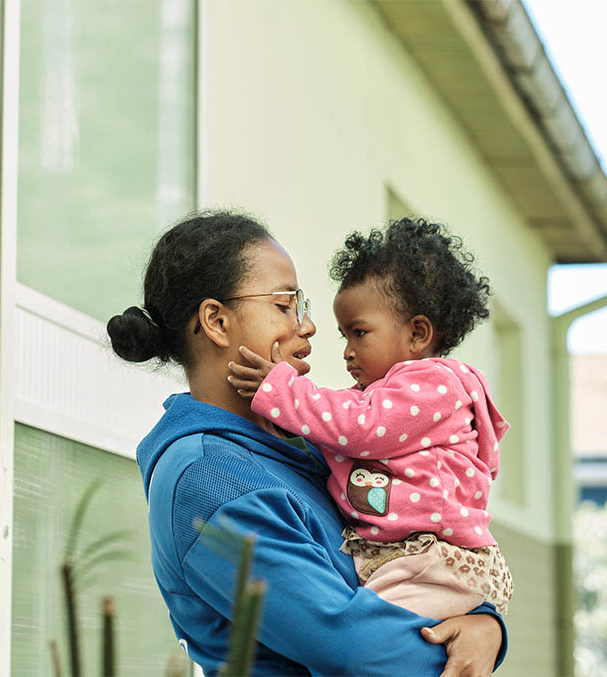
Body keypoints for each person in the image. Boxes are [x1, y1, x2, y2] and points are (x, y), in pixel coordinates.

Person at [107, 210, 507, 676]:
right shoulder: (208, 478)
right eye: (283, 306)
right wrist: (477, 639)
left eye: (302, 306)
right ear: (216, 321)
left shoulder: (299, 445)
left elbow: (412, 556)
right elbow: (349, 647)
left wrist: (484, 624)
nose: (308, 326)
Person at [227, 218, 513, 621]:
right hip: (410, 561)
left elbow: (355, 427)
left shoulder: (434, 385)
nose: (347, 351)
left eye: (358, 333)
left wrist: (280, 390)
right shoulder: (390, 395)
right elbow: (335, 421)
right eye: (345, 336)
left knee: (369, 638)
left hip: (431, 561)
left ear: (417, 334)